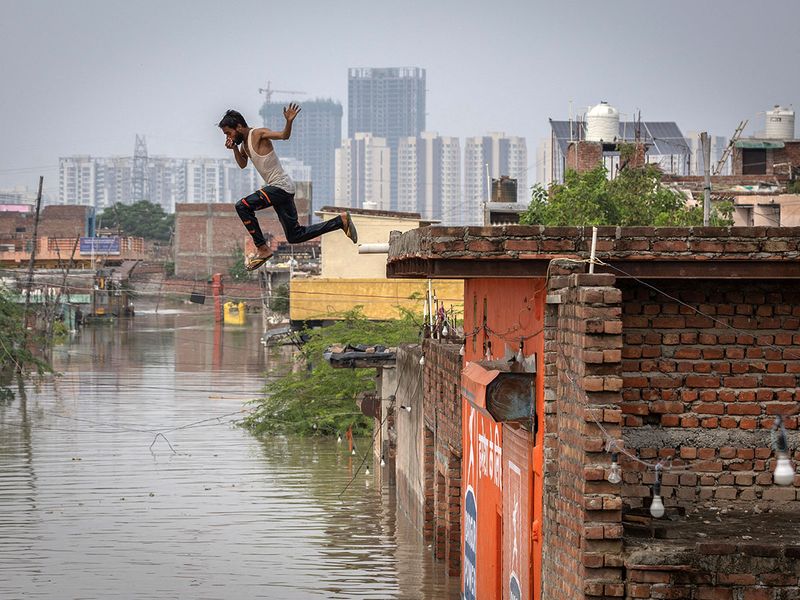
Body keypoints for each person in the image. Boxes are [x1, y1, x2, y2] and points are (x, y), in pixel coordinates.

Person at [218, 106, 358, 271]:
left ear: (239, 127)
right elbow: (242, 164)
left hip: (280, 186)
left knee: (242, 206)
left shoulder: (258, 134)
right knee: (294, 235)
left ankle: (262, 248)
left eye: (229, 133)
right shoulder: (244, 146)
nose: (228, 136)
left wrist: (289, 121)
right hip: (282, 189)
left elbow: (284, 135)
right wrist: (234, 147)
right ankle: (340, 221)